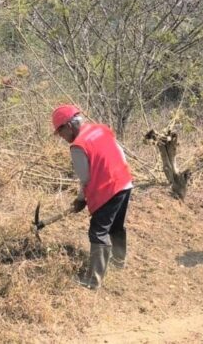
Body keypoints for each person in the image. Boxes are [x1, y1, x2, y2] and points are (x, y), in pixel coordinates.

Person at [52, 105, 134, 290]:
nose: (62, 138)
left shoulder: (78, 146)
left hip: (108, 190)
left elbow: (85, 179)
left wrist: (81, 199)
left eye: (61, 132)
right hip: (125, 182)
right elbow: (121, 154)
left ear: (69, 126)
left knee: (98, 232)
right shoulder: (101, 129)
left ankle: (93, 280)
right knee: (116, 225)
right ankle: (118, 262)